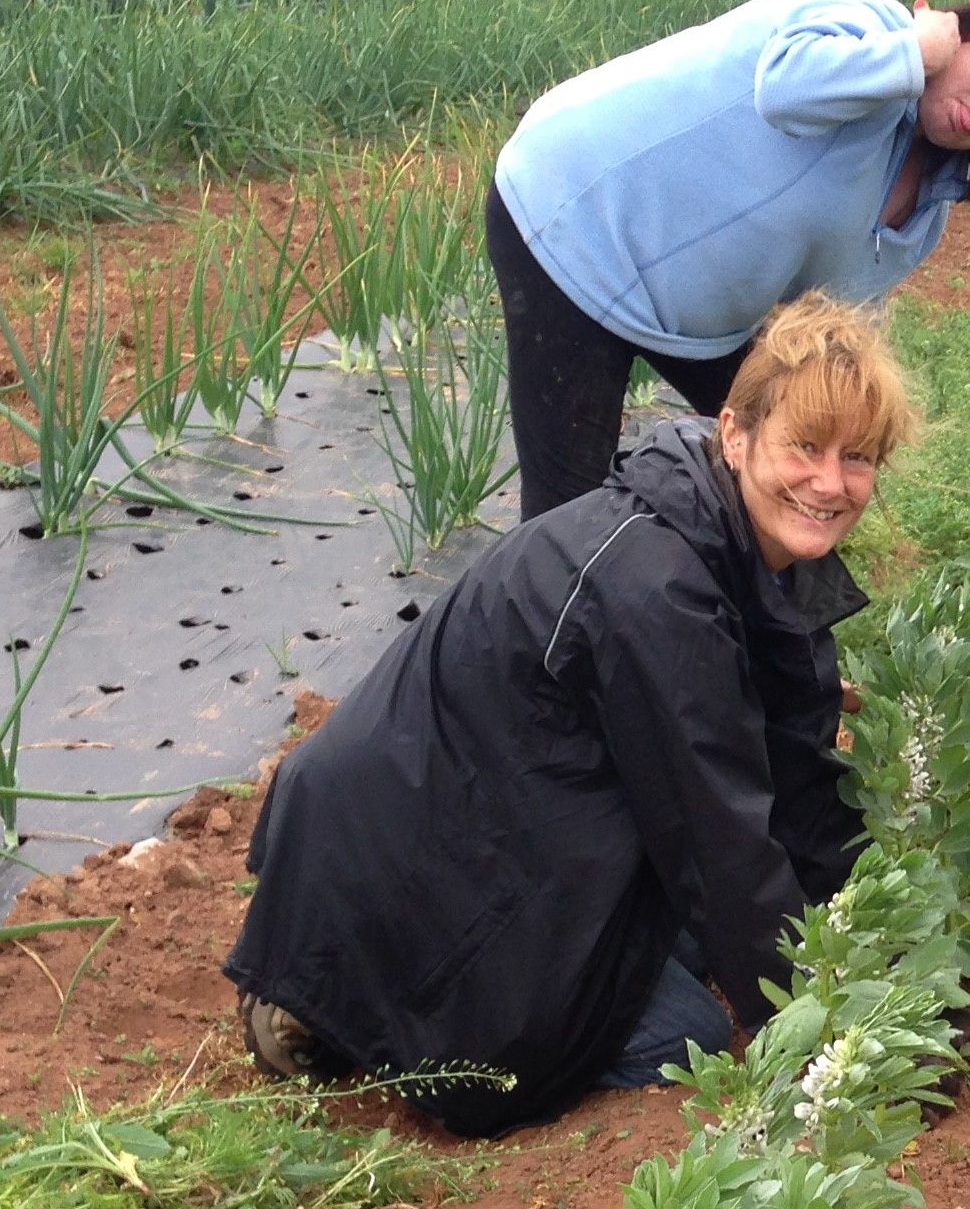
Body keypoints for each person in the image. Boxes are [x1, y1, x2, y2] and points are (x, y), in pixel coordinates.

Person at [227, 298, 916, 1137]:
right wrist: (830, 1038)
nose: (830, 483)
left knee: (713, 941)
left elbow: (796, 784)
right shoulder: (656, 585)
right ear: (734, 436)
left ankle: (370, 988)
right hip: (412, 863)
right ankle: (329, 1007)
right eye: (804, 448)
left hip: (518, 820)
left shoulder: (755, 556)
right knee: (684, 1028)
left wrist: (887, 947)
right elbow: (719, 841)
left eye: (858, 459)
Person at [489, 0, 970, 520]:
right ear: (963, 35)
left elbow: (831, 318)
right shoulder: (864, 25)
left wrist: (851, 430)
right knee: (566, 509)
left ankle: (760, 648)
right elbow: (785, 89)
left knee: (792, 465)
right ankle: (523, 657)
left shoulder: (926, 207)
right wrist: (914, 50)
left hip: (685, 308)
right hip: (573, 216)